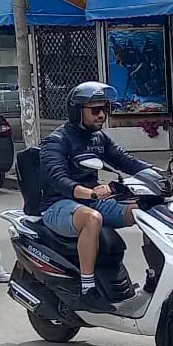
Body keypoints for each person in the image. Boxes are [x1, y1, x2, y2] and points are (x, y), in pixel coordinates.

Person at [39, 82, 150, 313]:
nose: (102, 115)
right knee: (92, 218)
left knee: (146, 212)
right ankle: (87, 290)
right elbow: (59, 180)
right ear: (77, 111)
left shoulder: (98, 138)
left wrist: (158, 174)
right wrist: (90, 192)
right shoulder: (56, 141)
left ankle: (154, 275)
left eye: (105, 109)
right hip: (58, 205)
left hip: (91, 201)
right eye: (95, 110)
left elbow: (126, 161)